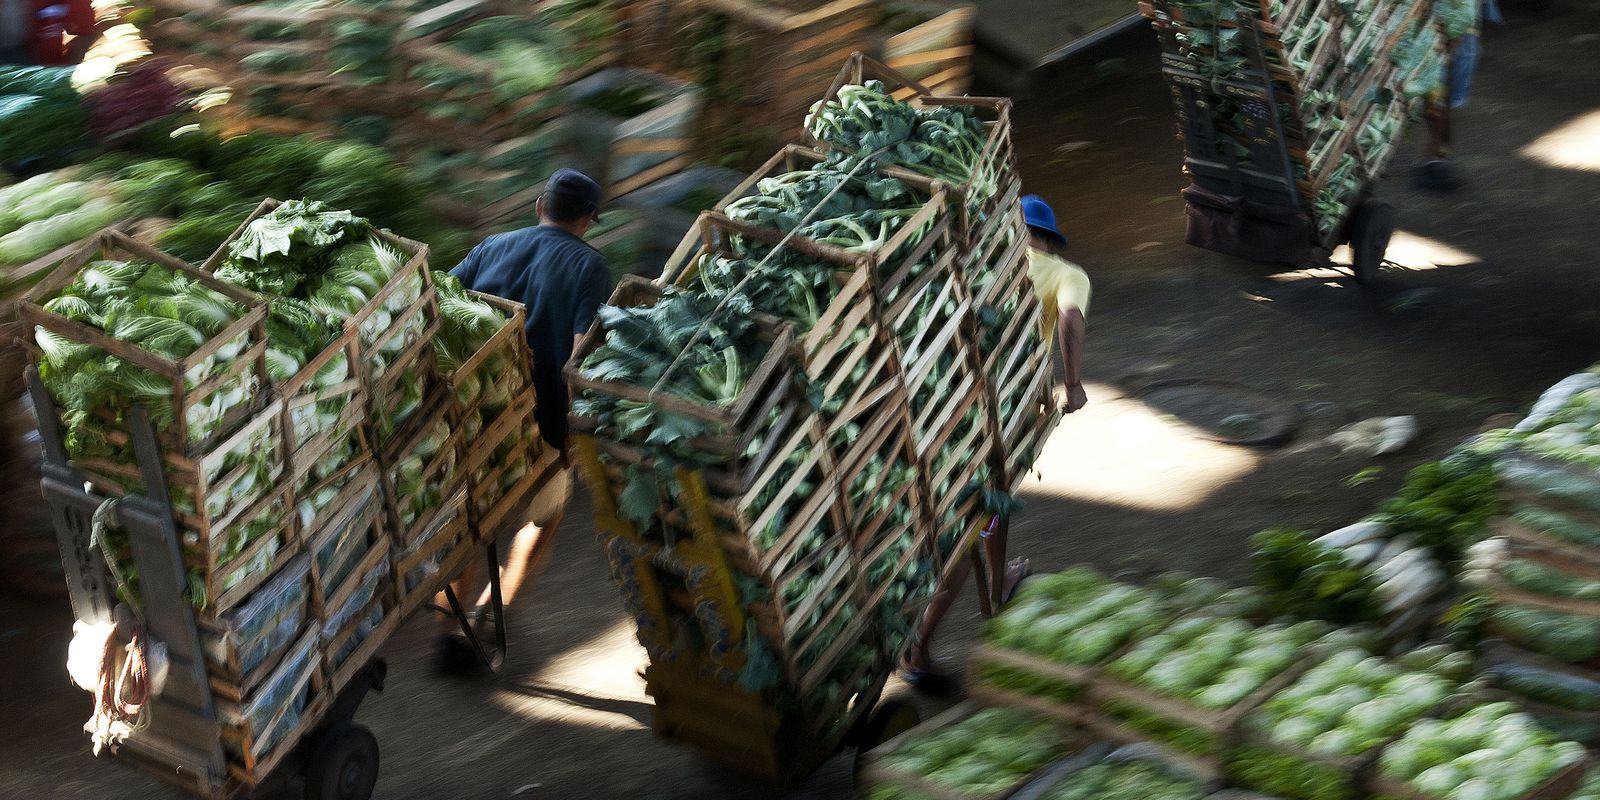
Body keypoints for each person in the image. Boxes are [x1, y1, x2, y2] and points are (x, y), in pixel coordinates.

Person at [900, 194, 1091, 694]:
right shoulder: (1067, 274)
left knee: (994, 502)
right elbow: (1070, 318)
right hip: (987, 420)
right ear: (1049, 238)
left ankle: (1000, 577)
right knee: (965, 532)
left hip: (936, 405)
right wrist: (1071, 384)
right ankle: (915, 652)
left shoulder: (977, 262)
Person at [435, 168, 614, 673]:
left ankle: (448, 630)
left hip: (471, 416)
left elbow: (439, 309)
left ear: (540, 205)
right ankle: (496, 610)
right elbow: (580, 355)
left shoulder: (491, 246)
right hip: (543, 424)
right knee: (545, 515)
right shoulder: (590, 268)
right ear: (586, 221)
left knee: (472, 524)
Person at [1417, 0, 1501, 190]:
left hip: (1456, 24)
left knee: (1442, 92)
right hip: (1440, 24)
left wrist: (1459, 26)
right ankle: (1434, 155)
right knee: (1436, 91)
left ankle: (1436, 154)